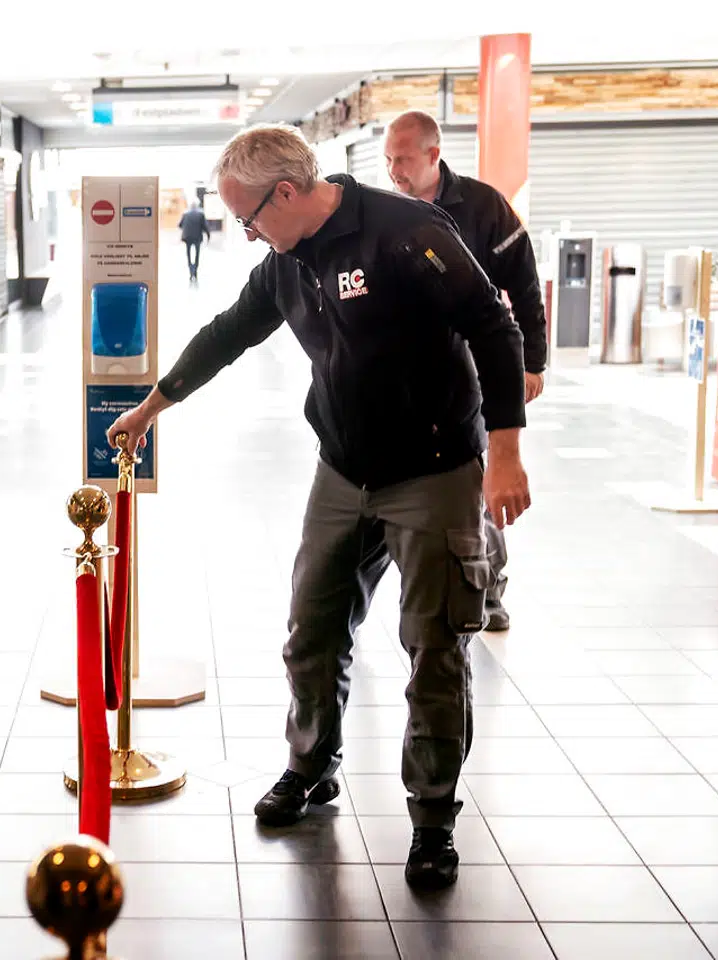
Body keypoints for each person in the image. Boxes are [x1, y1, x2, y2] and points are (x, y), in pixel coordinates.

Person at [106, 123, 530, 889]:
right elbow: (228, 333)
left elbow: (493, 329)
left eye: (250, 217)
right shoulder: (285, 262)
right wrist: (151, 407)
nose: (247, 233)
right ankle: (311, 767)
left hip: (433, 469)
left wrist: (504, 454)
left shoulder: (406, 233)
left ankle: (432, 818)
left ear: (291, 193)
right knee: (313, 629)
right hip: (342, 469)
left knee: (433, 646)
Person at [384, 110, 548, 632]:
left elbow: (524, 285)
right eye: (388, 160)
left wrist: (533, 362)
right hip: (404, 380)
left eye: (404, 160)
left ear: (433, 154)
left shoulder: (483, 208)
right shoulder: (385, 209)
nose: (394, 171)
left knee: (473, 479)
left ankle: (489, 588)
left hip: (473, 371)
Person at [179, 201, 210, 281]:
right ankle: (195, 272)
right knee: (197, 255)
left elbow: (180, 225)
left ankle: (190, 271)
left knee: (188, 254)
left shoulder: (185, 214)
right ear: (197, 206)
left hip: (187, 237)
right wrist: (208, 236)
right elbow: (205, 227)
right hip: (197, 237)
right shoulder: (200, 214)